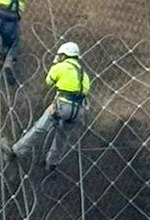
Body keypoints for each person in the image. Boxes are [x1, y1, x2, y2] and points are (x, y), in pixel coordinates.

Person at [10, 42, 90, 171]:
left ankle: (17, 151)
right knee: (62, 136)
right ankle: (52, 163)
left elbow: (49, 81)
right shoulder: (84, 74)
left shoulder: (61, 67)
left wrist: (55, 66)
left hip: (62, 106)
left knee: (41, 127)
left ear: (64, 55)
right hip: (78, 110)